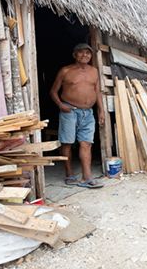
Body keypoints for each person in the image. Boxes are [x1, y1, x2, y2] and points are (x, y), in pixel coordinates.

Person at [50, 43, 105, 189]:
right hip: (70, 111)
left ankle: (87, 177)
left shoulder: (94, 71)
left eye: (88, 53)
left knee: (86, 143)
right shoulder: (66, 71)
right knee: (67, 143)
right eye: (81, 53)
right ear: (75, 55)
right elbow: (53, 91)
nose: (85, 55)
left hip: (88, 113)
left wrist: (101, 110)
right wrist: (61, 105)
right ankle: (70, 174)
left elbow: (97, 92)